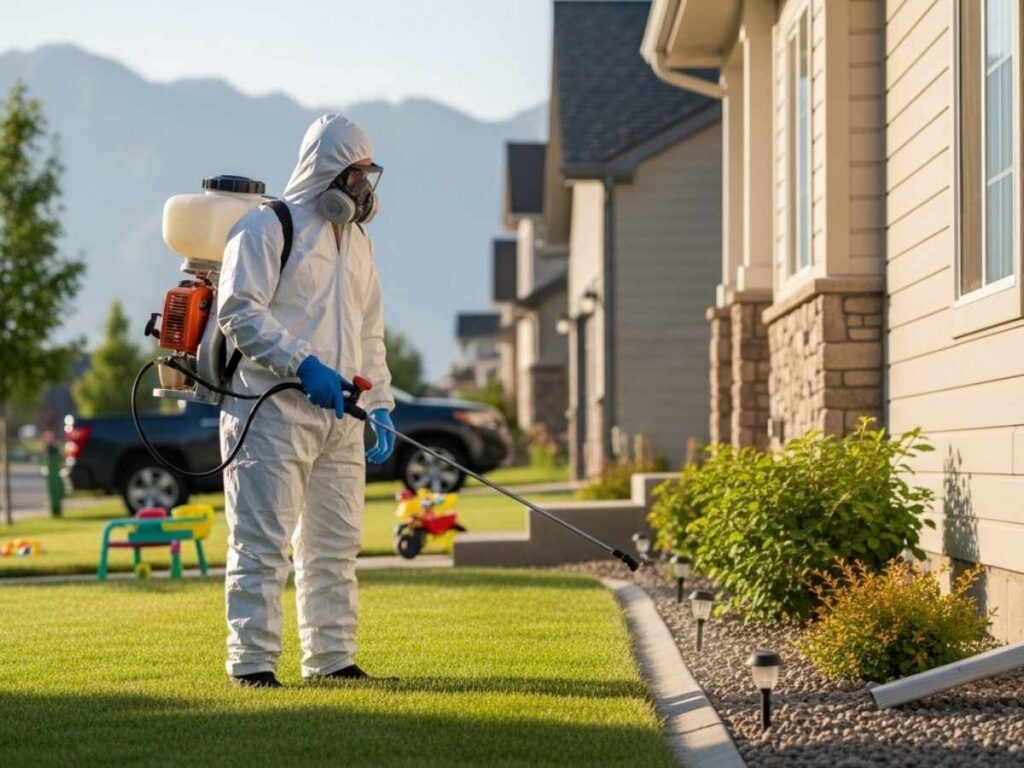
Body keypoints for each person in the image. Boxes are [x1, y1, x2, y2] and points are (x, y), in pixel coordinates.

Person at [216, 114, 397, 688]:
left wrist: (383, 403)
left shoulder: (359, 242)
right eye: (356, 174)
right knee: (263, 544)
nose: (364, 188)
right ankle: (252, 665)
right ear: (328, 171)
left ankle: (332, 659)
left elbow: (370, 332)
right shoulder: (268, 227)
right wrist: (304, 363)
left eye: (368, 174)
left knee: (334, 547)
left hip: (341, 416)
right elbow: (239, 311)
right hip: (271, 412)